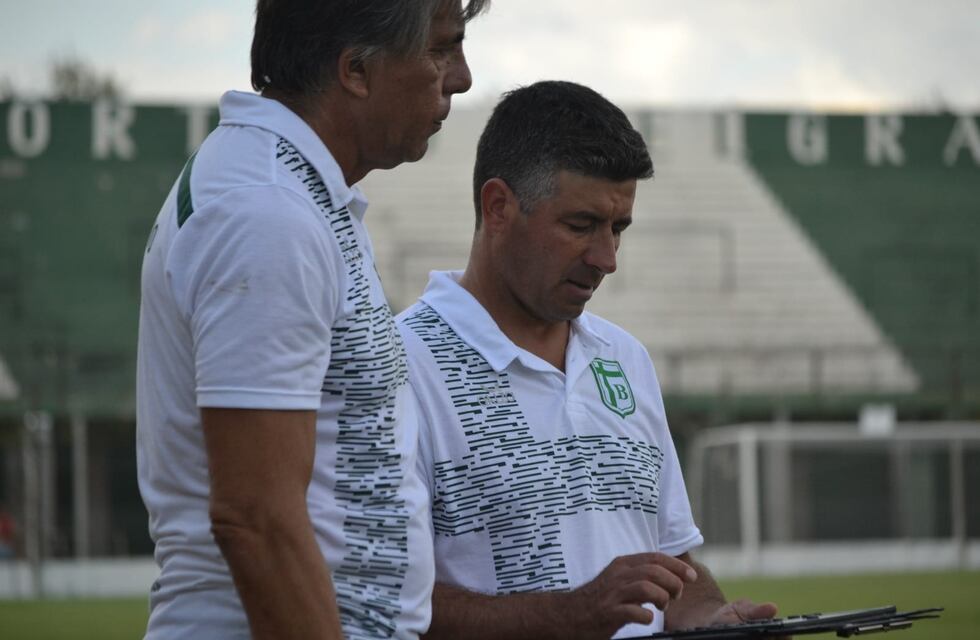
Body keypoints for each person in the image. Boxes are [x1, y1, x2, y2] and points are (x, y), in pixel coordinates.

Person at [136, 1, 489, 638]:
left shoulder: (290, 192)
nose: (460, 77)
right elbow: (255, 518)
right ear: (355, 69)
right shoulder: (268, 213)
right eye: (441, 48)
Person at [396, 81, 778, 640]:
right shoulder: (399, 363)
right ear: (498, 207)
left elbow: (671, 560)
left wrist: (710, 619)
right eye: (580, 226)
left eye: (618, 229)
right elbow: (379, 599)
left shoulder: (624, 358)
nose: (607, 259)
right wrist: (566, 617)